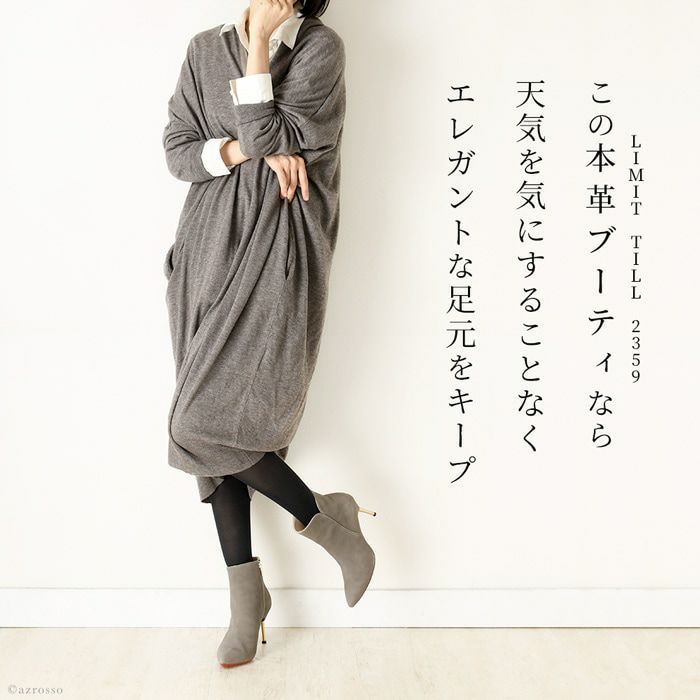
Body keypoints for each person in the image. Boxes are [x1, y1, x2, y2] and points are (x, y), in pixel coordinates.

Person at [161, 0, 377, 668]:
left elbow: (270, 135)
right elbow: (178, 151)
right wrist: (237, 151)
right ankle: (245, 596)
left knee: (202, 423)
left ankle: (326, 521)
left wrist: (258, 50)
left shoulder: (318, 49)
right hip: (203, 251)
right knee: (212, 439)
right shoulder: (203, 47)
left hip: (276, 250)